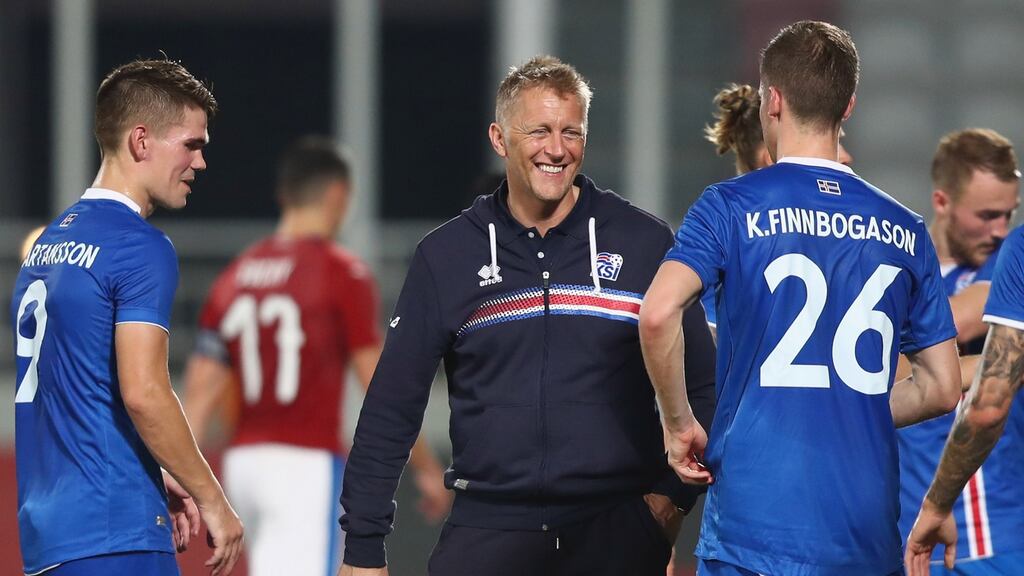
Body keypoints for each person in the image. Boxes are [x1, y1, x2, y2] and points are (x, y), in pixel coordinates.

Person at [339, 55, 717, 576]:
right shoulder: (445, 256)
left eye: (571, 132)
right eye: (539, 131)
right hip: (486, 532)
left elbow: (706, 385)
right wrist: (362, 549)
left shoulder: (644, 240)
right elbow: (391, 409)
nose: (557, 149)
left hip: (616, 534)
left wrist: (667, 504)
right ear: (499, 139)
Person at [640, 21, 962, 576]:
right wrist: (846, 409)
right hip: (862, 536)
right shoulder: (907, 229)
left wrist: (677, 425)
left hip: (752, 531)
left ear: (773, 101)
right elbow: (942, 388)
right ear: (849, 105)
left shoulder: (728, 206)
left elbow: (657, 313)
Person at [10, 59, 243, 576]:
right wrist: (213, 498)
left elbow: (82, 390)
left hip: (49, 539)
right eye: (192, 144)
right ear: (142, 141)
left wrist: (159, 469)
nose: (200, 163)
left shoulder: (47, 246)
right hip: (116, 531)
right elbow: (144, 392)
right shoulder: (138, 246)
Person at [182, 136, 451, 576]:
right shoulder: (340, 271)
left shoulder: (236, 275)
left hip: (240, 468)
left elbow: (199, 392)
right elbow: (382, 387)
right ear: (338, 195)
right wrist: (425, 466)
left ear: (283, 195)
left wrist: (182, 475)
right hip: (303, 467)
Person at [897, 129, 1022, 574]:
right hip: (907, 541)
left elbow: (960, 320)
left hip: (992, 540)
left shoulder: (1008, 263)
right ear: (942, 201)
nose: (1000, 230)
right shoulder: (901, 272)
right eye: (987, 215)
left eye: (1009, 214)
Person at [701, 82, 853, 340]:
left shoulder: (845, 236)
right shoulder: (721, 241)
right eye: (832, 145)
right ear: (773, 159)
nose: (846, 157)